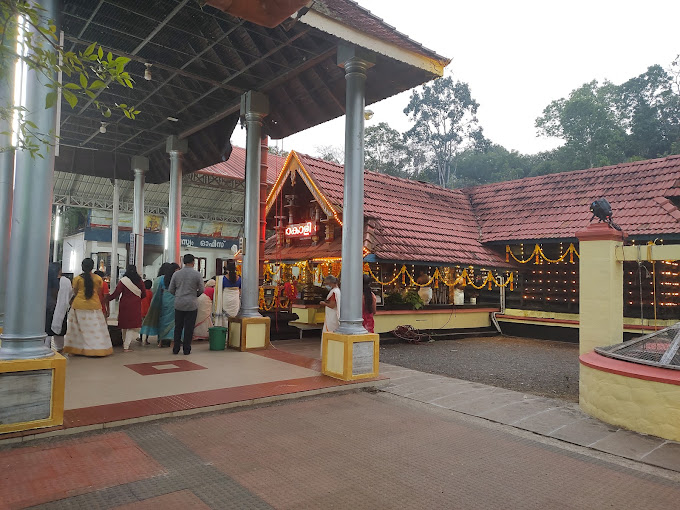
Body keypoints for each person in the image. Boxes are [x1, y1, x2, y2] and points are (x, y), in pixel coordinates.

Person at [63, 258, 113, 356]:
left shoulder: (77, 279)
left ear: (82, 266)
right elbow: (98, 291)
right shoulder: (98, 279)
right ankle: (97, 350)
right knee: (94, 330)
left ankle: (77, 349)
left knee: (77, 329)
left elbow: (76, 292)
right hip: (94, 306)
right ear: (92, 267)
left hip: (78, 306)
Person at [169, 254, 205, 355]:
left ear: (183, 262)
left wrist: (178, 295)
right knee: (189, 327)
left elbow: (171, 289)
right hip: (191, 304)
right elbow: (202, 289)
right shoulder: (197, 274)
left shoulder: (176, 274)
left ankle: (176, 348)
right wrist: (195, 295)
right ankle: (186, 349)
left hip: (179, 303)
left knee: (178, 327)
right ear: (193, 262)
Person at [107, 265, 146, 352]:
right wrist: (137, 298)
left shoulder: (123, 281)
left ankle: (124, 343)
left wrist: (107, 298)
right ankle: (126, 346)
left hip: (124, 304)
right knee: (131, 327)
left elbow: (116, 293)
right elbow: (144, 294)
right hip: (135, 305)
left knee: (124, 325)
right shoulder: (139, 281)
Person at [141, 262, 179, 347]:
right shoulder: (176, 279)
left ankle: (160, 341)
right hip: (174, 302)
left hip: (163, 302)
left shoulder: (159, 279)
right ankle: (172, 342)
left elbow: (155, 291)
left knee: (163, 321)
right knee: (174, 322)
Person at [213, 259, 241, 326]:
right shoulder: (239, 279)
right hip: (235, 300)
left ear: (227, 270)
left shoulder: (223, 279)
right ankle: (233, 332)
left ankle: (225, 333)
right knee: (234, 317)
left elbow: (220, 290)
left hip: (226, 299)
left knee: (225, 317)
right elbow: (240, 290)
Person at [138, 279, 153, 344]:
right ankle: (146, 339)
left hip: (141, 311)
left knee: (141, 325)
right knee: (147, 326)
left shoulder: (141, 292)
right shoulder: (150, 293)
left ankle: (140, 338)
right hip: (148, 312)